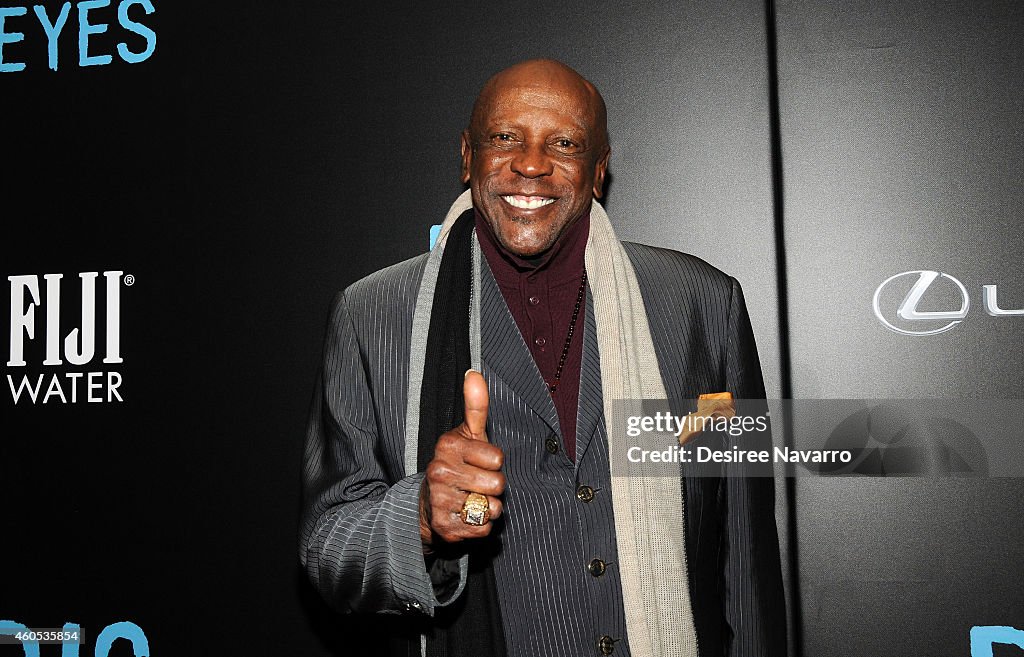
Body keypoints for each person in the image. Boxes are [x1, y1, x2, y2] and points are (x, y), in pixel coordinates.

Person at [300, 59, 786, 657]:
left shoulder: (700, 305)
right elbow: (328, 550)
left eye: (565, 143)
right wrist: (421, 517)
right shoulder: (372, 314)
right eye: (505, 138)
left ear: (599, 170)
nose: (531, 163)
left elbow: (745, 553)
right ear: (466, 157)